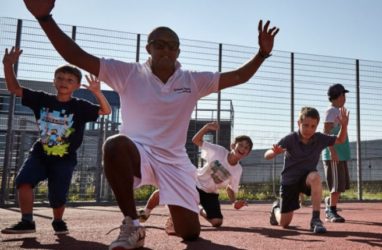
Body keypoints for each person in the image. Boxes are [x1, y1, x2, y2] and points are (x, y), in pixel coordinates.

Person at [23, 1, 278, 249]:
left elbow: (239, 76)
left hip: (175, 161)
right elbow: (76, 55)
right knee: (115, 145)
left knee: (190, 234)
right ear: (149, 48)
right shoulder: (127, 73)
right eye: (160, 44)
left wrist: (262, 54)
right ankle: (132, 224)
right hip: (139, 153)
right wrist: (45, 19)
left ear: (179, 52)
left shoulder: (193, 80)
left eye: (172, 46)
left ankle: (176, 217)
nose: (166, 50)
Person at [1, 47, 111, 235]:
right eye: (60, 78)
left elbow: (106, 111)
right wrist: (7, 64)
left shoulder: (80, 107)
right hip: (40, 153)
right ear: (53, 81)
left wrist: (97, 92)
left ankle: (58, 220)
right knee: (23, 181)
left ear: (76, 85)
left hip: (65, 158)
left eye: (69, 80)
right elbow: (14, 89)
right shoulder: (41, 99)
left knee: (58, 196)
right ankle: (27, 221)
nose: (63, 82)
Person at [138, 122, 252, 228]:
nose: (243, 148)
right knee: (168, 189)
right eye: (241, 145)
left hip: (210, 193)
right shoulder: (218, 151)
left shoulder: (238, 170)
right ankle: (146, 212)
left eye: (246, 148)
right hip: (194, 182)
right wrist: (206, 128)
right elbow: (196, 140)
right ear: (233, 146)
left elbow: (230, 188)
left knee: (217, 222)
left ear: (248, 153)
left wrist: (234, 202)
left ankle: (195, 207)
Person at [264, 106, 349, 234]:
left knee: (315, 177)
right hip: (289, 182)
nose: (309, 129)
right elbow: (267, 155)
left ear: (317, 126)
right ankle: (276, 207)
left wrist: (344, 126)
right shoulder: (290, 138)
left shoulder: (319, 138)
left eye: (313, 126)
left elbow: (341, 140)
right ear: (299, 123)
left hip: (306, 179)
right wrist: (274, 153)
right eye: (305, 125)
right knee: (284, 223)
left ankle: (315, 220)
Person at [321, 83, 351, 223]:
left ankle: (329, 202)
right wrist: (332, 151)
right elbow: (326, 133)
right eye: (343, 95)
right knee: (336, 185)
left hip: (341, 154)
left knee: (340, 185)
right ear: (337, 96)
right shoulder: (331, 111)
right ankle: (330, 211)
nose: (344, 97)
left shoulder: (338, 111)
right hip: (334, 154)